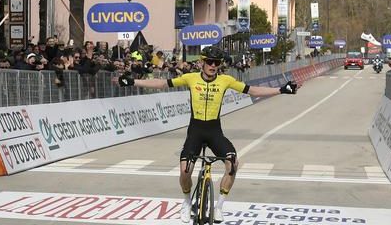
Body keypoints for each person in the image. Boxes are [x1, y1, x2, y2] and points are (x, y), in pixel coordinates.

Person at [117, 46, 298, 223]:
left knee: (233, 163)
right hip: (195, 131)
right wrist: (133, 81)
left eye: (216, 63)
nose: (213, 65)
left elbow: (252, 90)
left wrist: (281, 90)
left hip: (214, 131)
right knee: (184, 170)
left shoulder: (225, 80)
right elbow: (162, 83)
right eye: (210, 62)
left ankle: (219, 207)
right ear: (202, 63)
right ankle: (187, 202)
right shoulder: (190, 78)